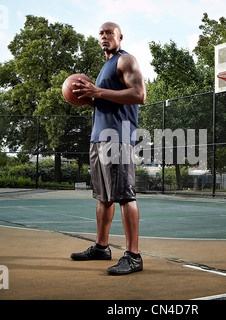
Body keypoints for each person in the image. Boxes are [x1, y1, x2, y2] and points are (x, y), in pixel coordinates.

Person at [70, 22, 146, 275]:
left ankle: (133, 256)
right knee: (103, 197)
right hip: (98, 138)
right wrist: (90, 100)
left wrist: (98, 92)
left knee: (124, 195)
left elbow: (139, 95)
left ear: (120, 37)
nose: (104, 37)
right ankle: (102, 247)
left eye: (109, 33)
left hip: (119, 137)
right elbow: (108, 101)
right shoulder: (105, 67)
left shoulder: (126, 61)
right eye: (101, 34)